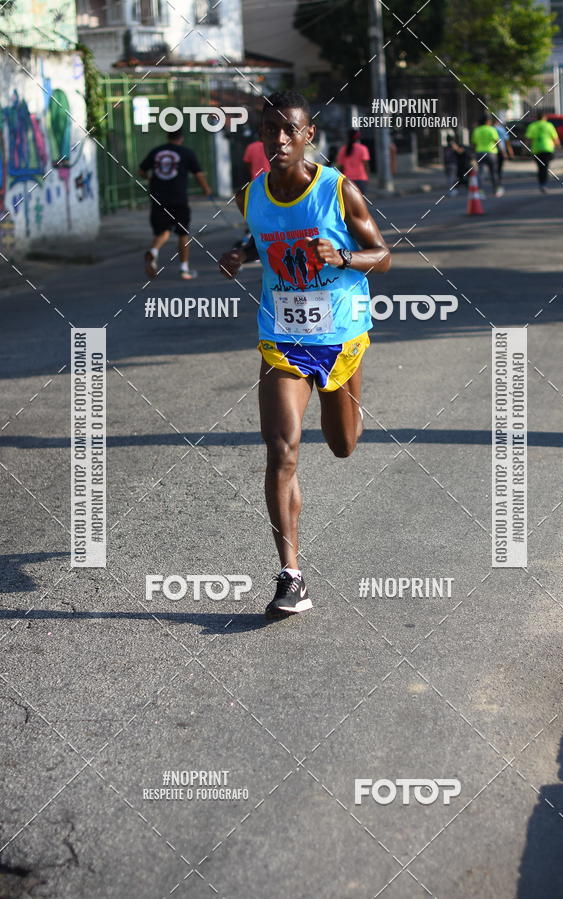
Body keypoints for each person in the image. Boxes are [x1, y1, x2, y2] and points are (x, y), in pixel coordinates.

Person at [218, 90, 391, 619]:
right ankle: (290, 576)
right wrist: (240, 253)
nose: (280, 138)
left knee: (342, 445)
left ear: (307, 134)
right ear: (260, 135)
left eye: (290, 129)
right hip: (283, 338)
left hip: (341, 336)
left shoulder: (338, 189)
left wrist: (342, 256)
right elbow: (260, 235)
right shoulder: (252, 194)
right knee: (281, 448)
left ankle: (348, 406)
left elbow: (383, 255)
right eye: (270, 129)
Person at [139, 128, 212, 281]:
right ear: (181, 138)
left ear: (167, 136)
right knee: (182, 233)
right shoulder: (187, 153)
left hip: (158, 198)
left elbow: (141, 171)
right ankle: (184, 269)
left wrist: (150, 178)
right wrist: (206, 189)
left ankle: (153, 252)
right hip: (178, 198)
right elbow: (198, 174)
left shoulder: (156, 151)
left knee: (163, 232)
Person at [525, 111, 560, 193]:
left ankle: (541, 183)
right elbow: (555, 137)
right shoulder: (549, 125)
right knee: (545, 167)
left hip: (536, 149)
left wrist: (525, 149)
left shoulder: (532, 126)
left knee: (540, 167)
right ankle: (543, 184)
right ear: (545, 117)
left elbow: (528, 138)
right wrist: (558, 146)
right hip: (547, 148)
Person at [471, 114, 500, 196]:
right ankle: (496, 190)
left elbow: (474, 143)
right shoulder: (492, 129)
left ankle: (480, 191)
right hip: (491, 152)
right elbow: (497, 141)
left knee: (480, 173)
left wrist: (474, 153)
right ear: (488, 121)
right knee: (493, 172)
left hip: (480, 152)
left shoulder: (476, 130)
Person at [336, 129, 370, 196]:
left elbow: (340, 167)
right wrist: (367, 177)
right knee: (361, 200)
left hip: (347, 179)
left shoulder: (343, 149)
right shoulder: (363, 148)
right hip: (361, 179)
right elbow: (366, 165)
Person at [494, 119, 513, 196]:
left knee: (494, 168)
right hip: (500, 151)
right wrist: (509, 152)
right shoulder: (501, 129)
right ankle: (498, 184)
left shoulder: (490, 129)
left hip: (491, 151)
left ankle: (496, 184)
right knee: (499, 168)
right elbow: (506, 141)